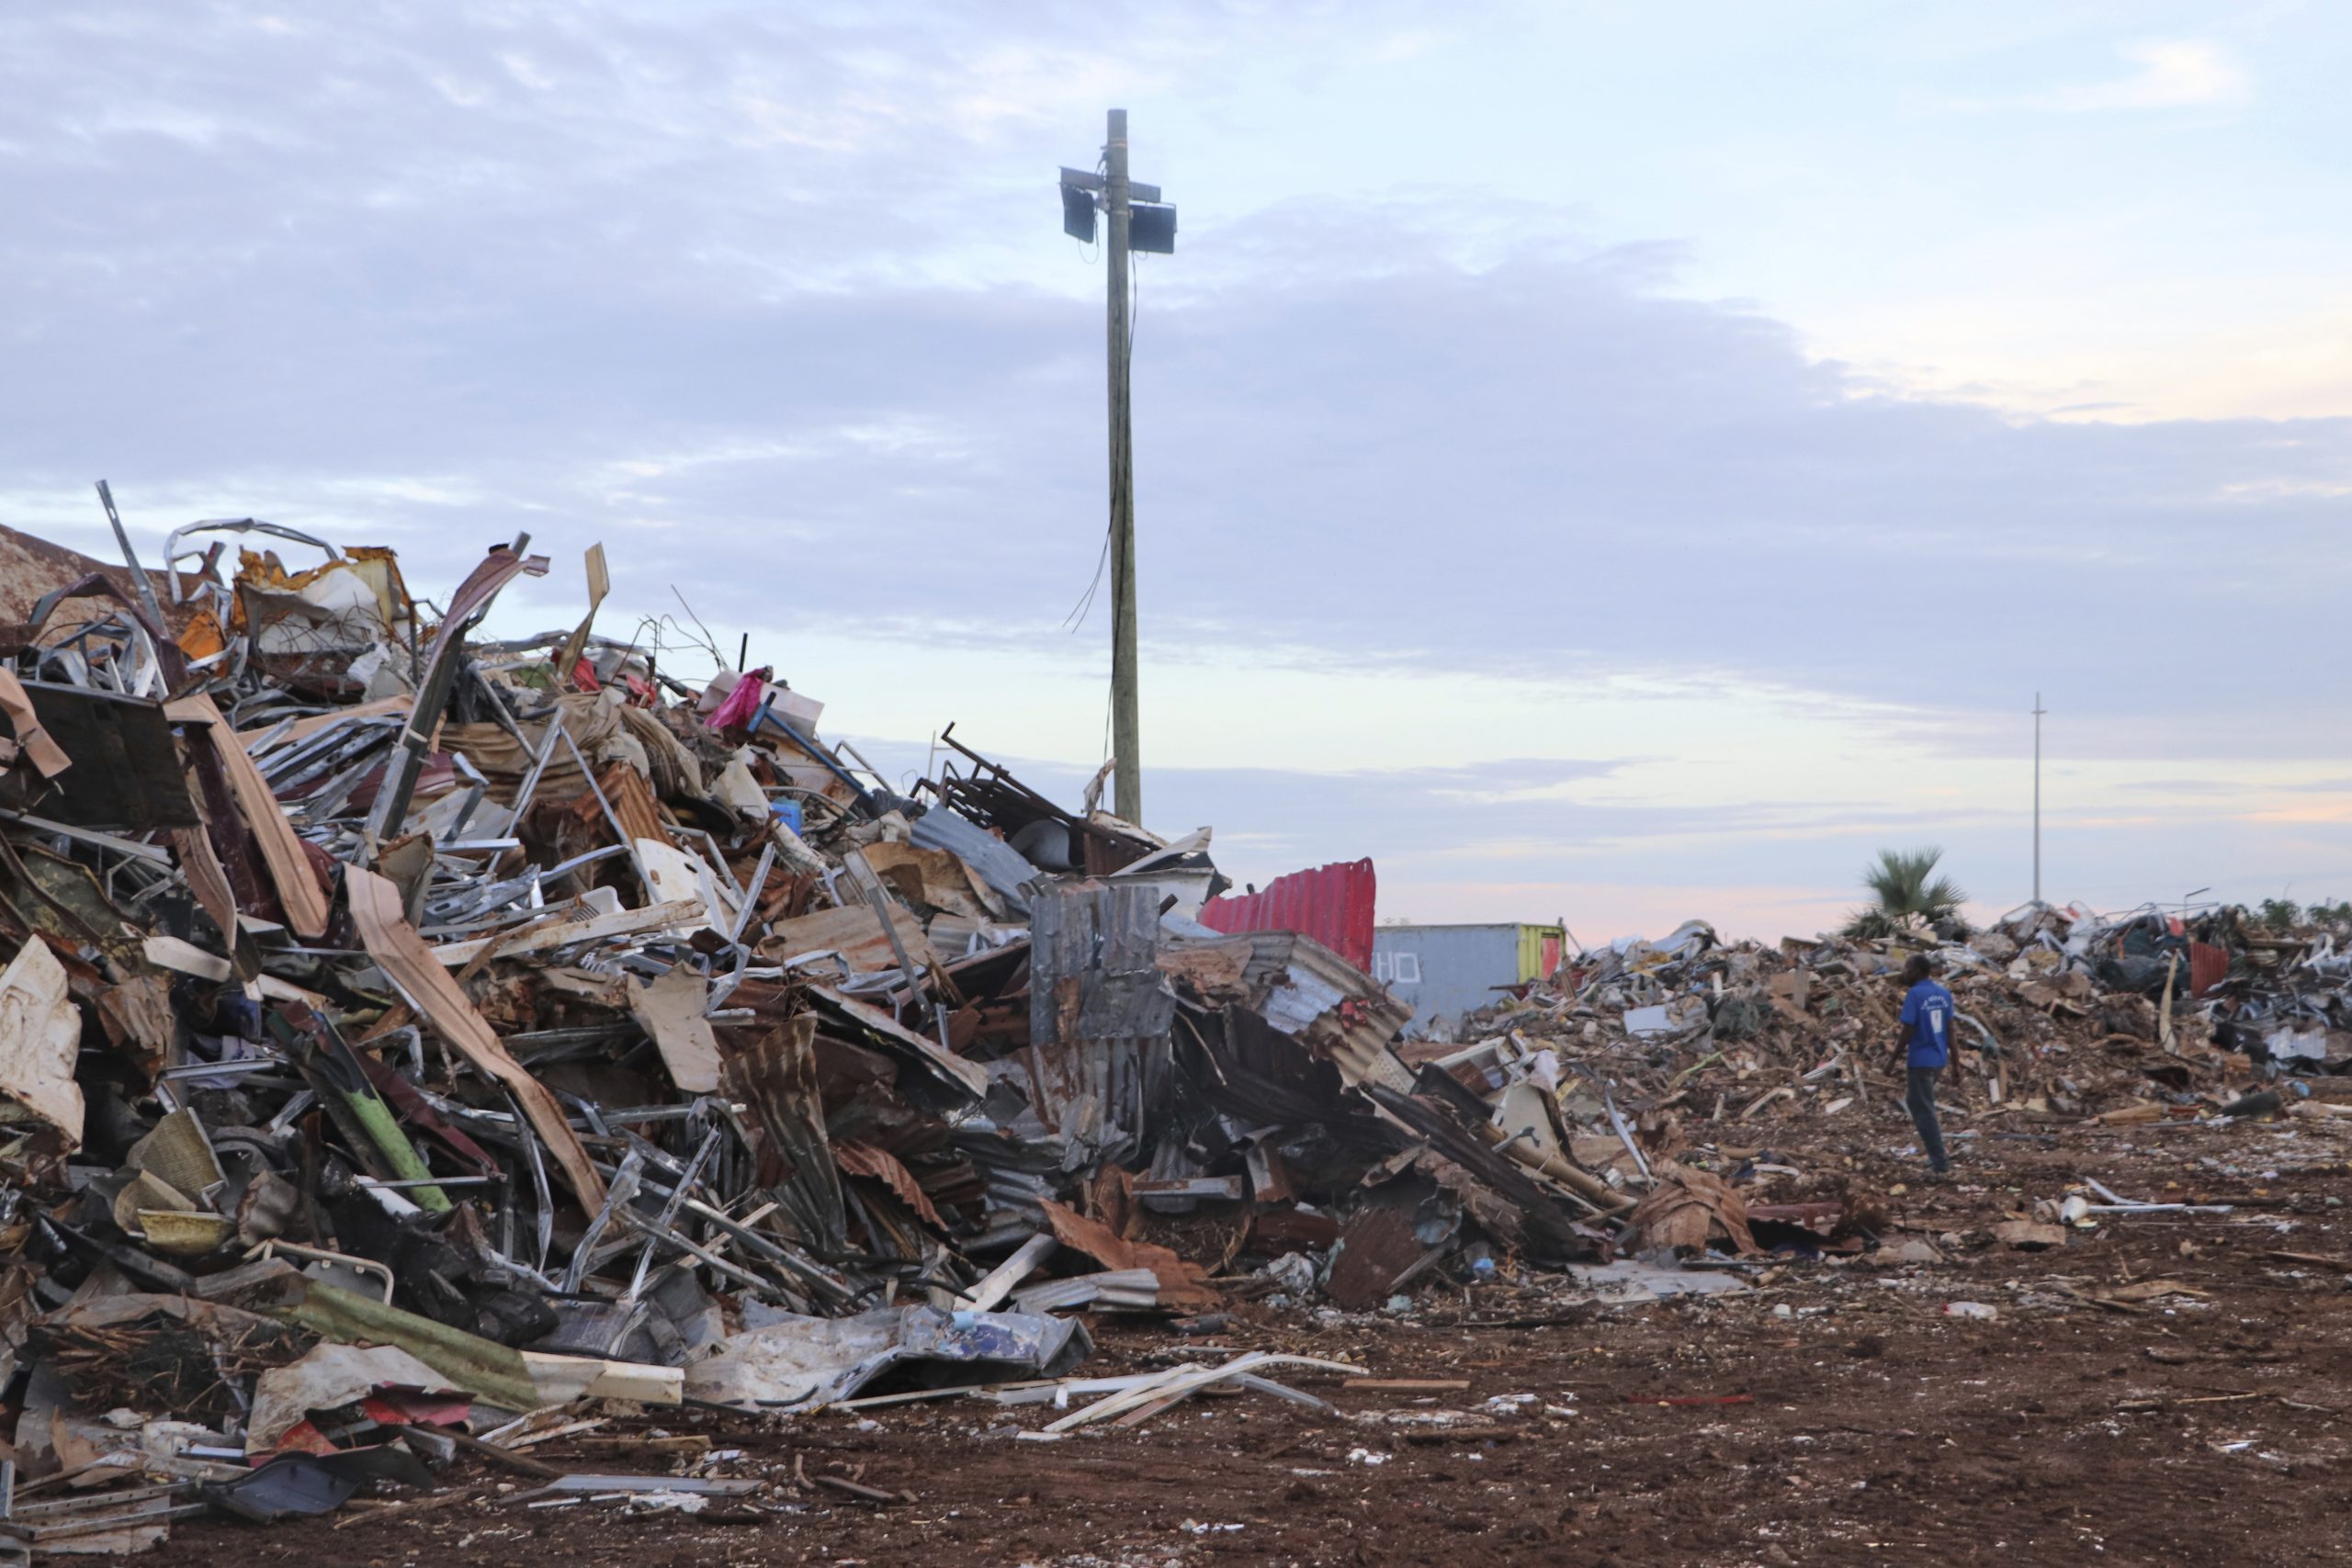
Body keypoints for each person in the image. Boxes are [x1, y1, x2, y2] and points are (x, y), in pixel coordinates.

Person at [1893, 953, 1953, 1177]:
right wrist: (1956, 1066)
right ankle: (1935, 1156)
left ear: (1918, 971)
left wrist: (1891, 1061)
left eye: (1908, 968)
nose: (1905, 972)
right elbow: (1951, 1031)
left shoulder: (1915, 994)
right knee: (1916, 1103)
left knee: (1924, 1111)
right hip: (1938, 1060)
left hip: (1920, 1061)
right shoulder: (1943, 993)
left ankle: (1940, 1163)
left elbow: (1907, 1031)